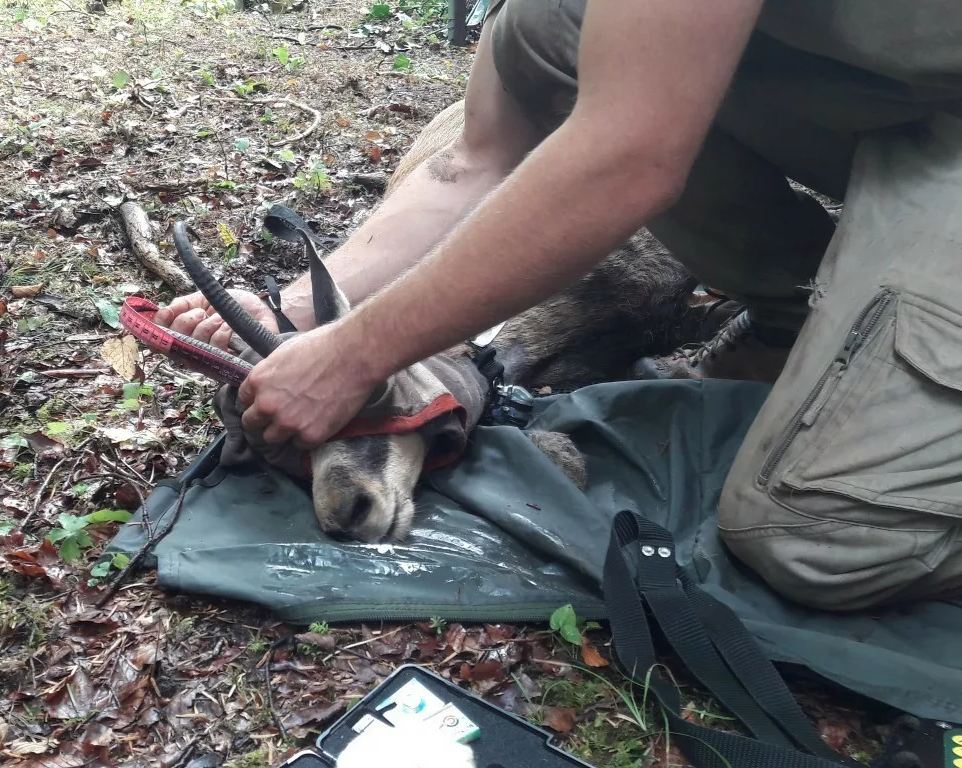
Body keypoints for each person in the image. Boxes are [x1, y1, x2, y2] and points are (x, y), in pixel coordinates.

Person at [154, 0, 962, 612]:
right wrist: (299, 307)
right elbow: (476, 157)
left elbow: (627, 157)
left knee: (814, 541)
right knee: (550, 33)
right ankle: (799, 326)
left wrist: (357, 355)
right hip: (911, 101)